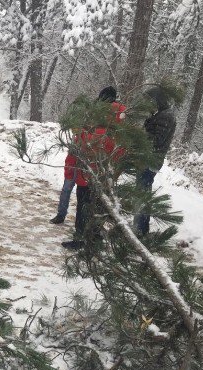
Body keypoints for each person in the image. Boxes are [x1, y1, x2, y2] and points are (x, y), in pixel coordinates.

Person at [62, 87, 126, 250]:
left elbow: (83, 141)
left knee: (84, 204)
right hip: (107, 171)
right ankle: (96, 237)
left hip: (89, 170)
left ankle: (80, 239)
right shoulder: (121, 119)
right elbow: (122, 147)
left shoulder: (95, 117)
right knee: (99, 204)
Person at [51, 86, 119, 225]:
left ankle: (77, 225)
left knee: (80, 193)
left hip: (86, 159)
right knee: (94, 194)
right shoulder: (117, 116)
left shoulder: (104, 119)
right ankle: (97, 223)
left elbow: (83, 136)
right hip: (95, 160)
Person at [134, 87, 176, 235]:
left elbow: (156, 140)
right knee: (142, 193)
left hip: (150, 160)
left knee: (142, 195)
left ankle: (139, 230)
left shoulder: (165, 116)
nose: (147, 105)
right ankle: (140, 228)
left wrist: (139, 135)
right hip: (148, 159)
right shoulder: (160, 114)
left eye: (149, 101)